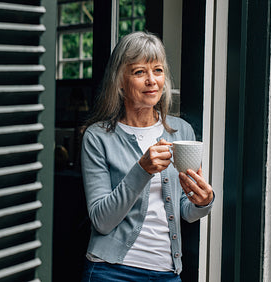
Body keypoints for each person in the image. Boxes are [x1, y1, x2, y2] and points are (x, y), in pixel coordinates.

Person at [80, 31, 214, 281]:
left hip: (167, 272)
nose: (152, 80)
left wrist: (202, 202)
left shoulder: (181, 131)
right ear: (120, 81)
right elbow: (101, 221)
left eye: (158, 70)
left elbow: (185, 210)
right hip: (111, 272)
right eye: (140, 72)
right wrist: (141, 170)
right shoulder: (97, 137)